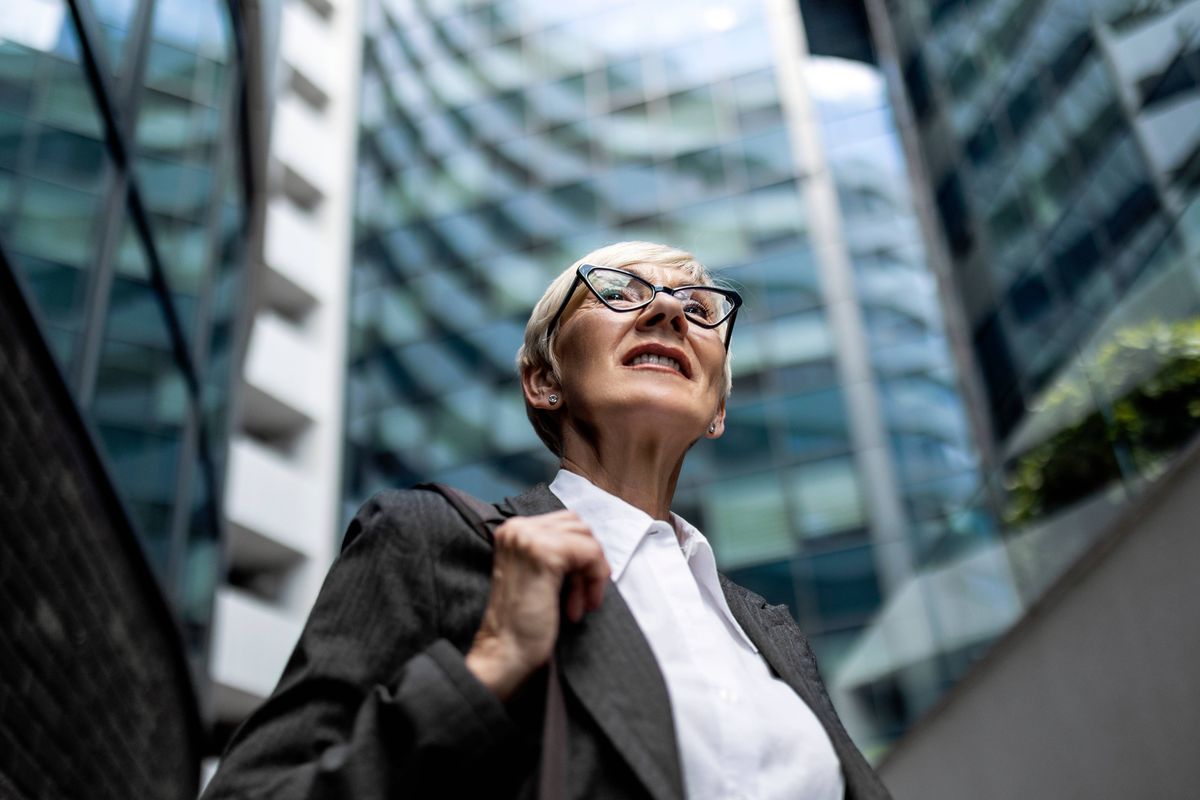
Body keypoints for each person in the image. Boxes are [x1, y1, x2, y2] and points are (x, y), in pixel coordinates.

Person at [202, 241, 891, 799]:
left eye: (697, 307)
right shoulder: (434, 543)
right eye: (619, 291)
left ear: (717, 412)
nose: (667, 311)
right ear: (544, 381)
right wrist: (490, 664)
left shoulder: (770, 633)